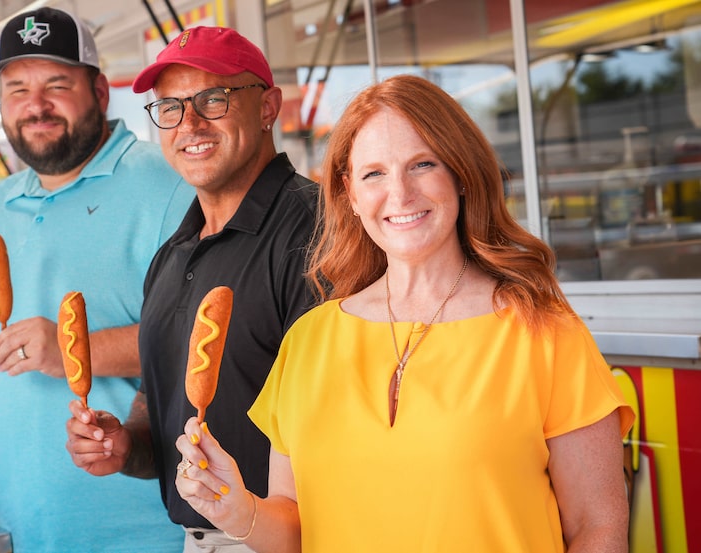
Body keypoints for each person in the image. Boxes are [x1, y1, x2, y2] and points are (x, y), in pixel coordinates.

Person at [170, 74, 637, 552]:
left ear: (459, 174)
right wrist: (237, 507)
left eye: (422, 164)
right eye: (374, 173)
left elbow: (597, 528)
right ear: (349, 194)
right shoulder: (309, 340)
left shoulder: (544, 331)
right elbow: (297, 531)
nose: (400, 194)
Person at [0, 7, 194, 553]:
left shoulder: (170, 190)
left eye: (56, 85)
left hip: (145, 535)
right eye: (17, 89)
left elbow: (209, 340)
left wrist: (73, 350)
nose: (35, 105)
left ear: (99, 90)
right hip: (18, 534)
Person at [65, 26, 318, 551]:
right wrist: (124, 444)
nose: (190, 124)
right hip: (195, 539)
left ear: (268, 106)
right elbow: (163, 408)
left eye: (213, 99)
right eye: (171, 108)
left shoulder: (315, 232)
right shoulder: (174, 252)